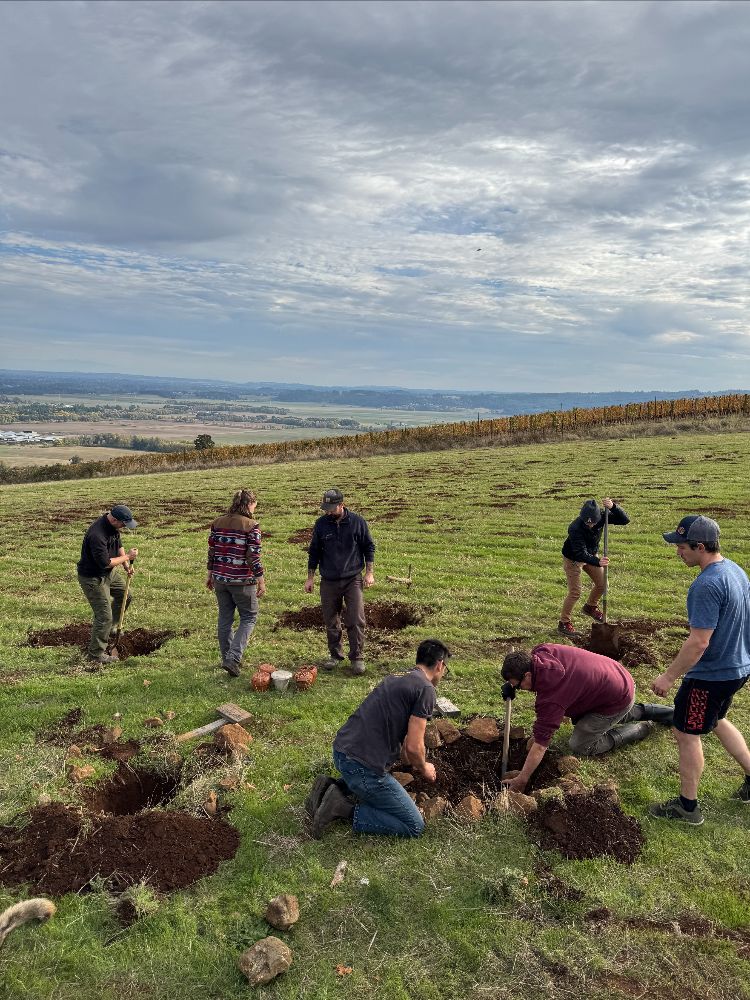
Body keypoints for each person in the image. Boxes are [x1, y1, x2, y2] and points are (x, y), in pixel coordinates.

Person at [649, 515, 750, 825]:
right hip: (738, 667)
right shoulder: (734, 570)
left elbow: (698, 642)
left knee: (686, 733)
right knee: (716, 719)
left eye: (681, 547)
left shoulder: (706, 585)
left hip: (710, 677)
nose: (678, 552)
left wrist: (668, 676)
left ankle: (687, 808)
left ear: (700, 547)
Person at [307, 638, 450, 838]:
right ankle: (341, 808)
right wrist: (424, 767)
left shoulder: (397, 676)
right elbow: (414, 747)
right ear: (440, 665)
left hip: (342, 751)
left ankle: (330, 787)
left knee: (369, 773)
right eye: (445, 669)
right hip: (361, 767)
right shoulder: (426, 689)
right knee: (413, 825)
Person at [500, 643, 672, 792]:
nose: (520, 689)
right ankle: (665, 712)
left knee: (580, 745)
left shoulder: (552, 698)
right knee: (603, 716)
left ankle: (642, 728)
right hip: (615, 676)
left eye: (519, 686)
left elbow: (540, 745)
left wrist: (522, 779)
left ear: (528, 675)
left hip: (617, 696)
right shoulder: (542, 651)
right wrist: (511, 686)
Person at [305, 488, 375, 675]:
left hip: (353, 579)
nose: (327, 511)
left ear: (341, 505)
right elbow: (314, 552)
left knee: (355, 618)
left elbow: (369, 547)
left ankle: (357, 658)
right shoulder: (321, 525)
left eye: (331, 508)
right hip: (328, 580)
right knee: (331, 620)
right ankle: (335, 656)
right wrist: (310, 578)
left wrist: (369, 573)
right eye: (325, 508)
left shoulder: (357, 522)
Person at [206, 488, 266, 677]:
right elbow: (253, 557)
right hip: (242, 581)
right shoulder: (251, 525)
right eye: (255, 504)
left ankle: (227, 658)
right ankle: (233, 658)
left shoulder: (217, 522)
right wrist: (261, 580)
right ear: (249, 504)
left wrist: (210, 575)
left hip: (220, 579)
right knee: (249, 617)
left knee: (225, 618)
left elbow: (212, 551)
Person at [558, 496, 630, 636]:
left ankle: (590, 607)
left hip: (591, 554)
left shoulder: (603, 516)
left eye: (593, 523)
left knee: (603, 584)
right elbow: (580, 553)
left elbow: (624, 520)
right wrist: (598, 562)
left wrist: (613, 507)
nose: (590, 525)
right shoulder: (575, 528)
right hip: (573, 559)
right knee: (575, 592)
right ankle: (564, 623)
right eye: (587, 523)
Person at [77, 505, 139, 663]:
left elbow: (119, 545)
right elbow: (106, 563)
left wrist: (126, 567)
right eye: (124, 524)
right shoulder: (97, 534)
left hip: (108, 573)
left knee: (126, 595)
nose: (125, 527)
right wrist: (127, 558)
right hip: (93, 578)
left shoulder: (113, 526)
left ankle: (112, 628)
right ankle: (96, 654)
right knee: (104, 616)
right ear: (115, 520)